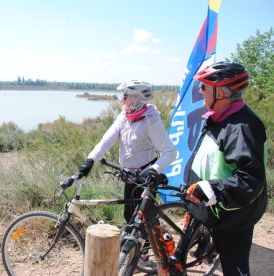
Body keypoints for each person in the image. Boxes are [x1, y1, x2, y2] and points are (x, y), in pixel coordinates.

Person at [186, 61, 267, 276]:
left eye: (204, 86)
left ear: (220, 92)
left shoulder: (242, 127)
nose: (200, 90)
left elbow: (251, 179)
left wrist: (213, 189)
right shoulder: (221, 117)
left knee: (235, 269)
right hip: (214, 208)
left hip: (233, 216)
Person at [77, 80, 177, 223]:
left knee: (144, 218)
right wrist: (90, 160)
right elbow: (107, 139)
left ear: (136, 99)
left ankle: (153, 244)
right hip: (130, 174)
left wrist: (154, 170)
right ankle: (137, 244)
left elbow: (170, 152)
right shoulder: (124, 116)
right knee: (129, 214)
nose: (122, 99)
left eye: (125, 96)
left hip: (146, 174)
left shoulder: (151, 121)